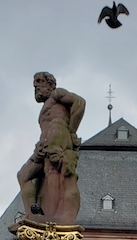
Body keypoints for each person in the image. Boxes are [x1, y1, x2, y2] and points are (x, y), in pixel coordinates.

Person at [17, 72, 86, 224]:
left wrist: (71, 131)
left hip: (58, 133)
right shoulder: (45, 108)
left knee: (52, 171)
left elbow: (80, 103)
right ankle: (33, 215)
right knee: (23, 175)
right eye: (35, 83)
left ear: (51, 84)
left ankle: (53, 217)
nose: (36, 85)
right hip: (43, 143)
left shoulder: (57, 94)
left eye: (40, 81)